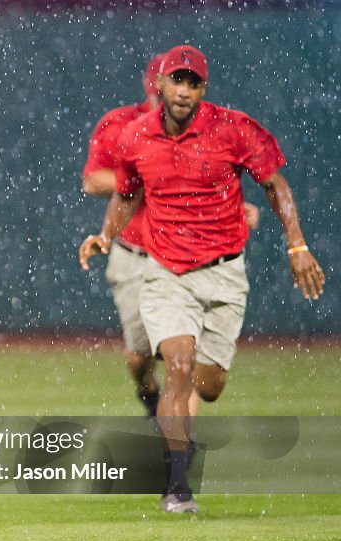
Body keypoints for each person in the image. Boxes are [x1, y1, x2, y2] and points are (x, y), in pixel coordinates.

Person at [79, 45, 325, 514]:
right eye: (177, 80)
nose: (184, 90)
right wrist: (105, 235)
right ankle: (176, 487)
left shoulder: (232, 128)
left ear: (203, 89)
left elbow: (276, 184)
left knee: (208, 385)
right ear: (161, 85)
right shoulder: (134, 135)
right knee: (177, 364)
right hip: (166, 271)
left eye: (193, 83)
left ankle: (176, 438)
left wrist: (297, 244)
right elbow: (126, 192)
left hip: (224, 273)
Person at [82, 52, 260, 418]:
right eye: (163, 89)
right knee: (139, 355)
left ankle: (181, 445)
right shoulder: (122, 127)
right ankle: (148, 394)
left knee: (185, 360)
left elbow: (215, 181)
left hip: (190, 261)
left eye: (188, 85)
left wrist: (231, 208)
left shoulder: (207, 130)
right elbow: (93, 179)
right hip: (136, 252)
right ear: (156, 87)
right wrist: (153, 176)